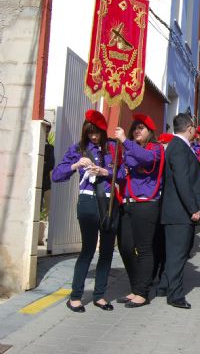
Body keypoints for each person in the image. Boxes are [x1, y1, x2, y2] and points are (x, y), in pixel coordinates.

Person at [51, 110, 121, 312]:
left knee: (107, 250)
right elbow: (56, 175)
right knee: (88, 249)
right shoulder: (78, 149)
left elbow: (125, 174)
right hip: (88, 202)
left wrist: (106, 172)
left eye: (97, 132)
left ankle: (100, 295)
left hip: (109, 203)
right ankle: (75, 296)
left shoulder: (113, 149)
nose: (94, 136)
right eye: (90, 133)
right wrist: (76, 165)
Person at [158, 113, 200, 309]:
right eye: (195, 128)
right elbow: (182, 181)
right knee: (178, 255)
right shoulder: (179, 147)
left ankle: (164, 286)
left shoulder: (177, 146)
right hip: (180, 212)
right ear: (189, 128)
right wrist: (193, 208)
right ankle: (175, 294)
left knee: (174, 253)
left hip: (177, 211)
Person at [113, 114, 163, 308]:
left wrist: (125, 141)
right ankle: (136, 287)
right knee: (125, 247)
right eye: (134, 128)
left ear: (150, 131)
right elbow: (123, 172)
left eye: (141, 128)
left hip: (146, 204)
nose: (136, 131)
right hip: (127, 202)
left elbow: (147, 159)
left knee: (144, 248)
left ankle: (142, 292)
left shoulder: (155, 148)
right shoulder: (128, 150)